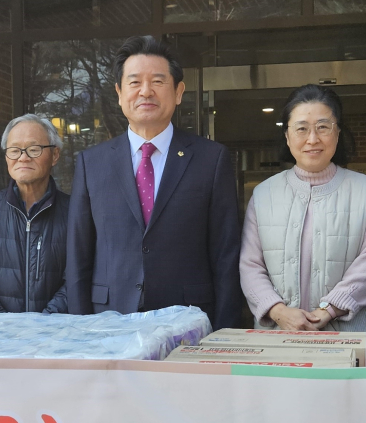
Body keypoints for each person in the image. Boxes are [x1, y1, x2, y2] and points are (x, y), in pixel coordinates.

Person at [66, 35, 242, 329]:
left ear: (178, 92)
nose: (145, 91)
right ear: (119, 92)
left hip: (188, 321)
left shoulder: (211, 160)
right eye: (134, 82)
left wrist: (224, 333)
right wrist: (81, 330)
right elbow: (78, 255)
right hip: (108, 321)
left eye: (158, 81)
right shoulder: (91, 163)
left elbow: (226, 254)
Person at [240, 85, 366, 331]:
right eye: (301, 129)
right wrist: (278, 311)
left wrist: (328, 310)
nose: (312, 139)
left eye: (323, 127)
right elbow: (250, 265)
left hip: (344, 336)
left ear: (337, 133)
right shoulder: (264, 194)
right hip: (277, 336)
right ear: (287, 136)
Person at [0, 114, 68, 313]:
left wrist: (46, 324)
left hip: (57, 328)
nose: (23, 157)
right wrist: (3, 326)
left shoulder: (75, 213)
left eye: (34, 149)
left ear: (55, 155)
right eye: (15, 150)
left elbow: (76, 280)